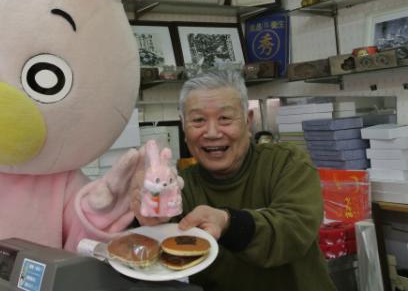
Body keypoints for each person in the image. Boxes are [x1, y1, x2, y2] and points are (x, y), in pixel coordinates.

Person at [131, 69, 336, 291]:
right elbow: (157, 256)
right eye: (198, 120)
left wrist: (228, 223)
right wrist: (146, 217)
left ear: (248, 122)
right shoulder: (178, 186)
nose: (212, 132)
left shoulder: (287, 163)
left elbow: (293, 231)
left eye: (225, 118)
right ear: (183, 126)